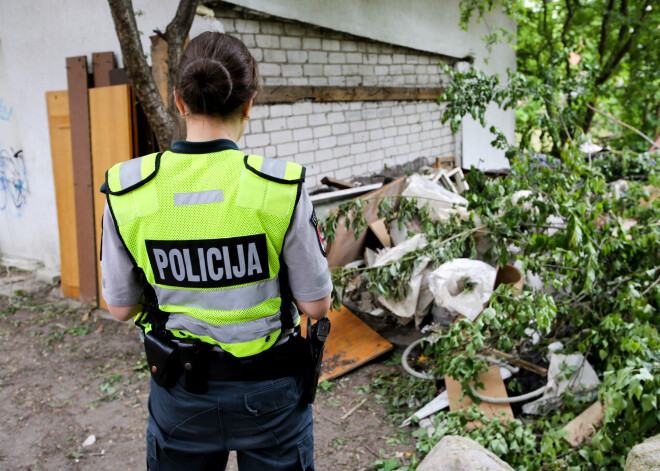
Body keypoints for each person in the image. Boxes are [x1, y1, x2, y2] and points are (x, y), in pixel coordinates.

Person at [100, 31, 332, 471]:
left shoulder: (127, 190)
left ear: (178, 101)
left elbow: (120, 308)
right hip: (271, 396)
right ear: (249, 104)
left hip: (181, 393)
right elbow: (316, 305)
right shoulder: (278, 188)